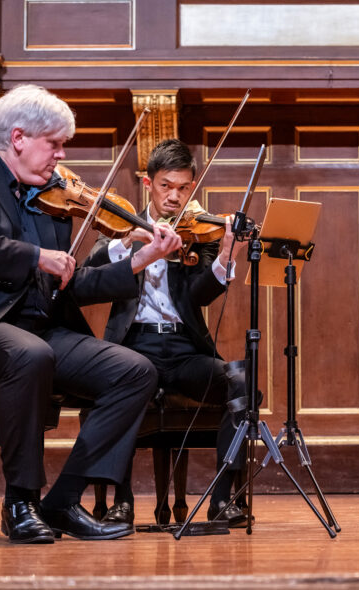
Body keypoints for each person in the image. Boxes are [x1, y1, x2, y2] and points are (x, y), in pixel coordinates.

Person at [0, 84, 182, 544]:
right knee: (28, 355)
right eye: (54, 144)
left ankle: (62, 502)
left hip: (34, 327)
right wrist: (34, 256)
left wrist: (139, 260)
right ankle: (20, 501)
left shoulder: (52, 197)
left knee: (133, 371)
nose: (60, 155)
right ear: (18, 138)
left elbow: (69, 281)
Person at [84, 138, 250, 527]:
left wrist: (225, 256)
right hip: (133, 344)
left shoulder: (197, 231)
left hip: (183, 347)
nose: (174, 197)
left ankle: (223, 499)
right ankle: (121, 502)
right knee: (118, 387)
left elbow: (199, 297)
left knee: (242, 383)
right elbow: (91, 271)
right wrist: (130, 245)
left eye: (183, 188)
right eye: (166, 186)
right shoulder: (123, 222)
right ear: (148, 183)